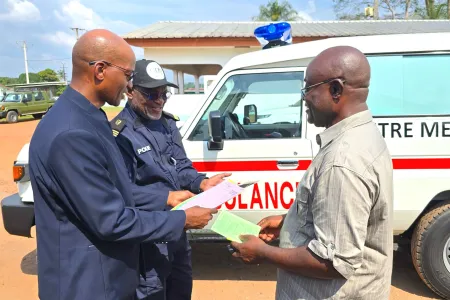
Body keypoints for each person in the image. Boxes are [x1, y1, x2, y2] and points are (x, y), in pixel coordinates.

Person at [28, 29, 217, 300]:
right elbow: (111, 220)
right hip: (89, 285)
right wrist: (181, 218)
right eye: (128, 76)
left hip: (108, 277)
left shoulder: (88, 118)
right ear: (100, 70)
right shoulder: (72, 132)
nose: (129, 84)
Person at [230, 46, 394, 300]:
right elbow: (342, 218)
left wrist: (262, 252)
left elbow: (333, 261)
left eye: (308, 89)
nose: (304, 98)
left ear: (336, 90)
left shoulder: (342, 160)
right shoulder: (361, 135)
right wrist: (289, 221)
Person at [110, 59, 231, 300]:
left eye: (164, 93)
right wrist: (165, 197)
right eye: (151, 94)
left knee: (181, 289)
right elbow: (119, 194)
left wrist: (202, 183)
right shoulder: (118, 134)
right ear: (130, 91)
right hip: (148, 238)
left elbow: (182, 166)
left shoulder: (166, 124)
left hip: (177, 232)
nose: (159, 100)